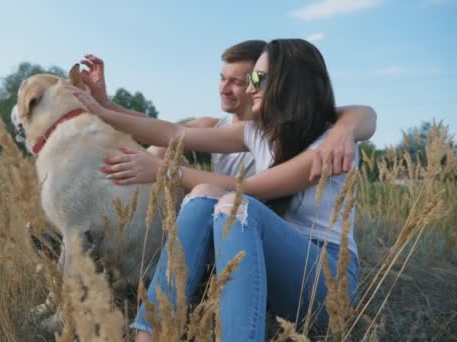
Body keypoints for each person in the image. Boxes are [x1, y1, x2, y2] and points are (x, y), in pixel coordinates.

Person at [69, 38, 364, 341]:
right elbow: (174, 132)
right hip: (267, 260)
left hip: (328, 280)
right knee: (204, 195)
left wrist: (166, 171)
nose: (250, 88)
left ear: (289, 83)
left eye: (256, 79)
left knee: (236, 204)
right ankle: (150, 334)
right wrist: (101, 111)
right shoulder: (257, 133)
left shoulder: (329, 146)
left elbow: (250, 189)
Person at [78, 40, 376, 184]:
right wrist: (104, 105)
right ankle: (105, 226)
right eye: (222, 79)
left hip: (250, 214)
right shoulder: (216, 126)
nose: (225, 89)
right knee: (162, 147)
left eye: (238, 81)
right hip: (220, 209)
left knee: (195, 185)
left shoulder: (290, 127)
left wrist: (344, 128)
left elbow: (360, 114)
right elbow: (162, 128)